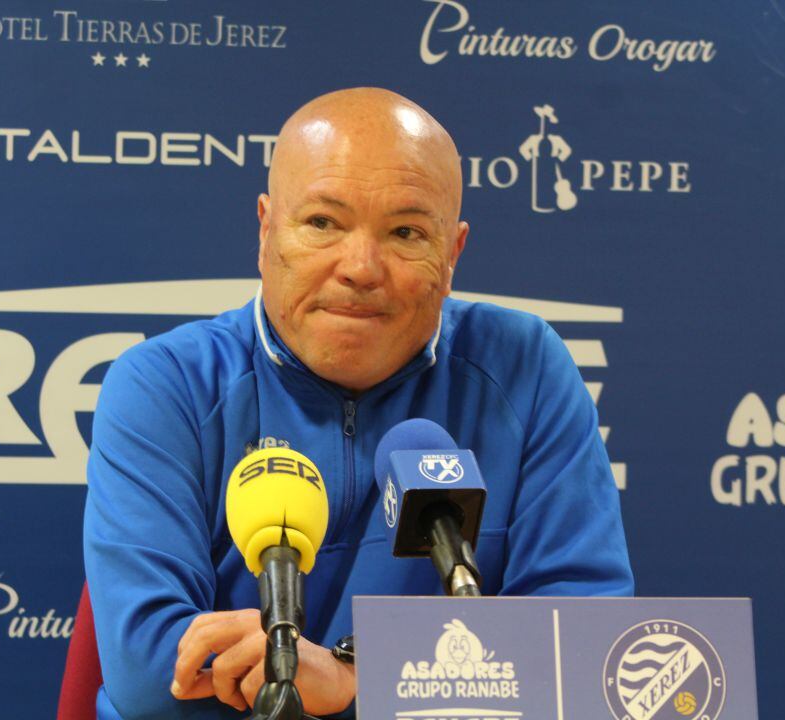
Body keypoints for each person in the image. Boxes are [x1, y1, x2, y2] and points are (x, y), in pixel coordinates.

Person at [83, 88, 633, 720]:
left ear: (451, 255)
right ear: (266, 230)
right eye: (323, 223)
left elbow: (587, 648)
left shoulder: (526, 368)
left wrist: (352, 679)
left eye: (405, 232)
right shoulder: (164, 386)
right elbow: (156, 680)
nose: (361, 267)